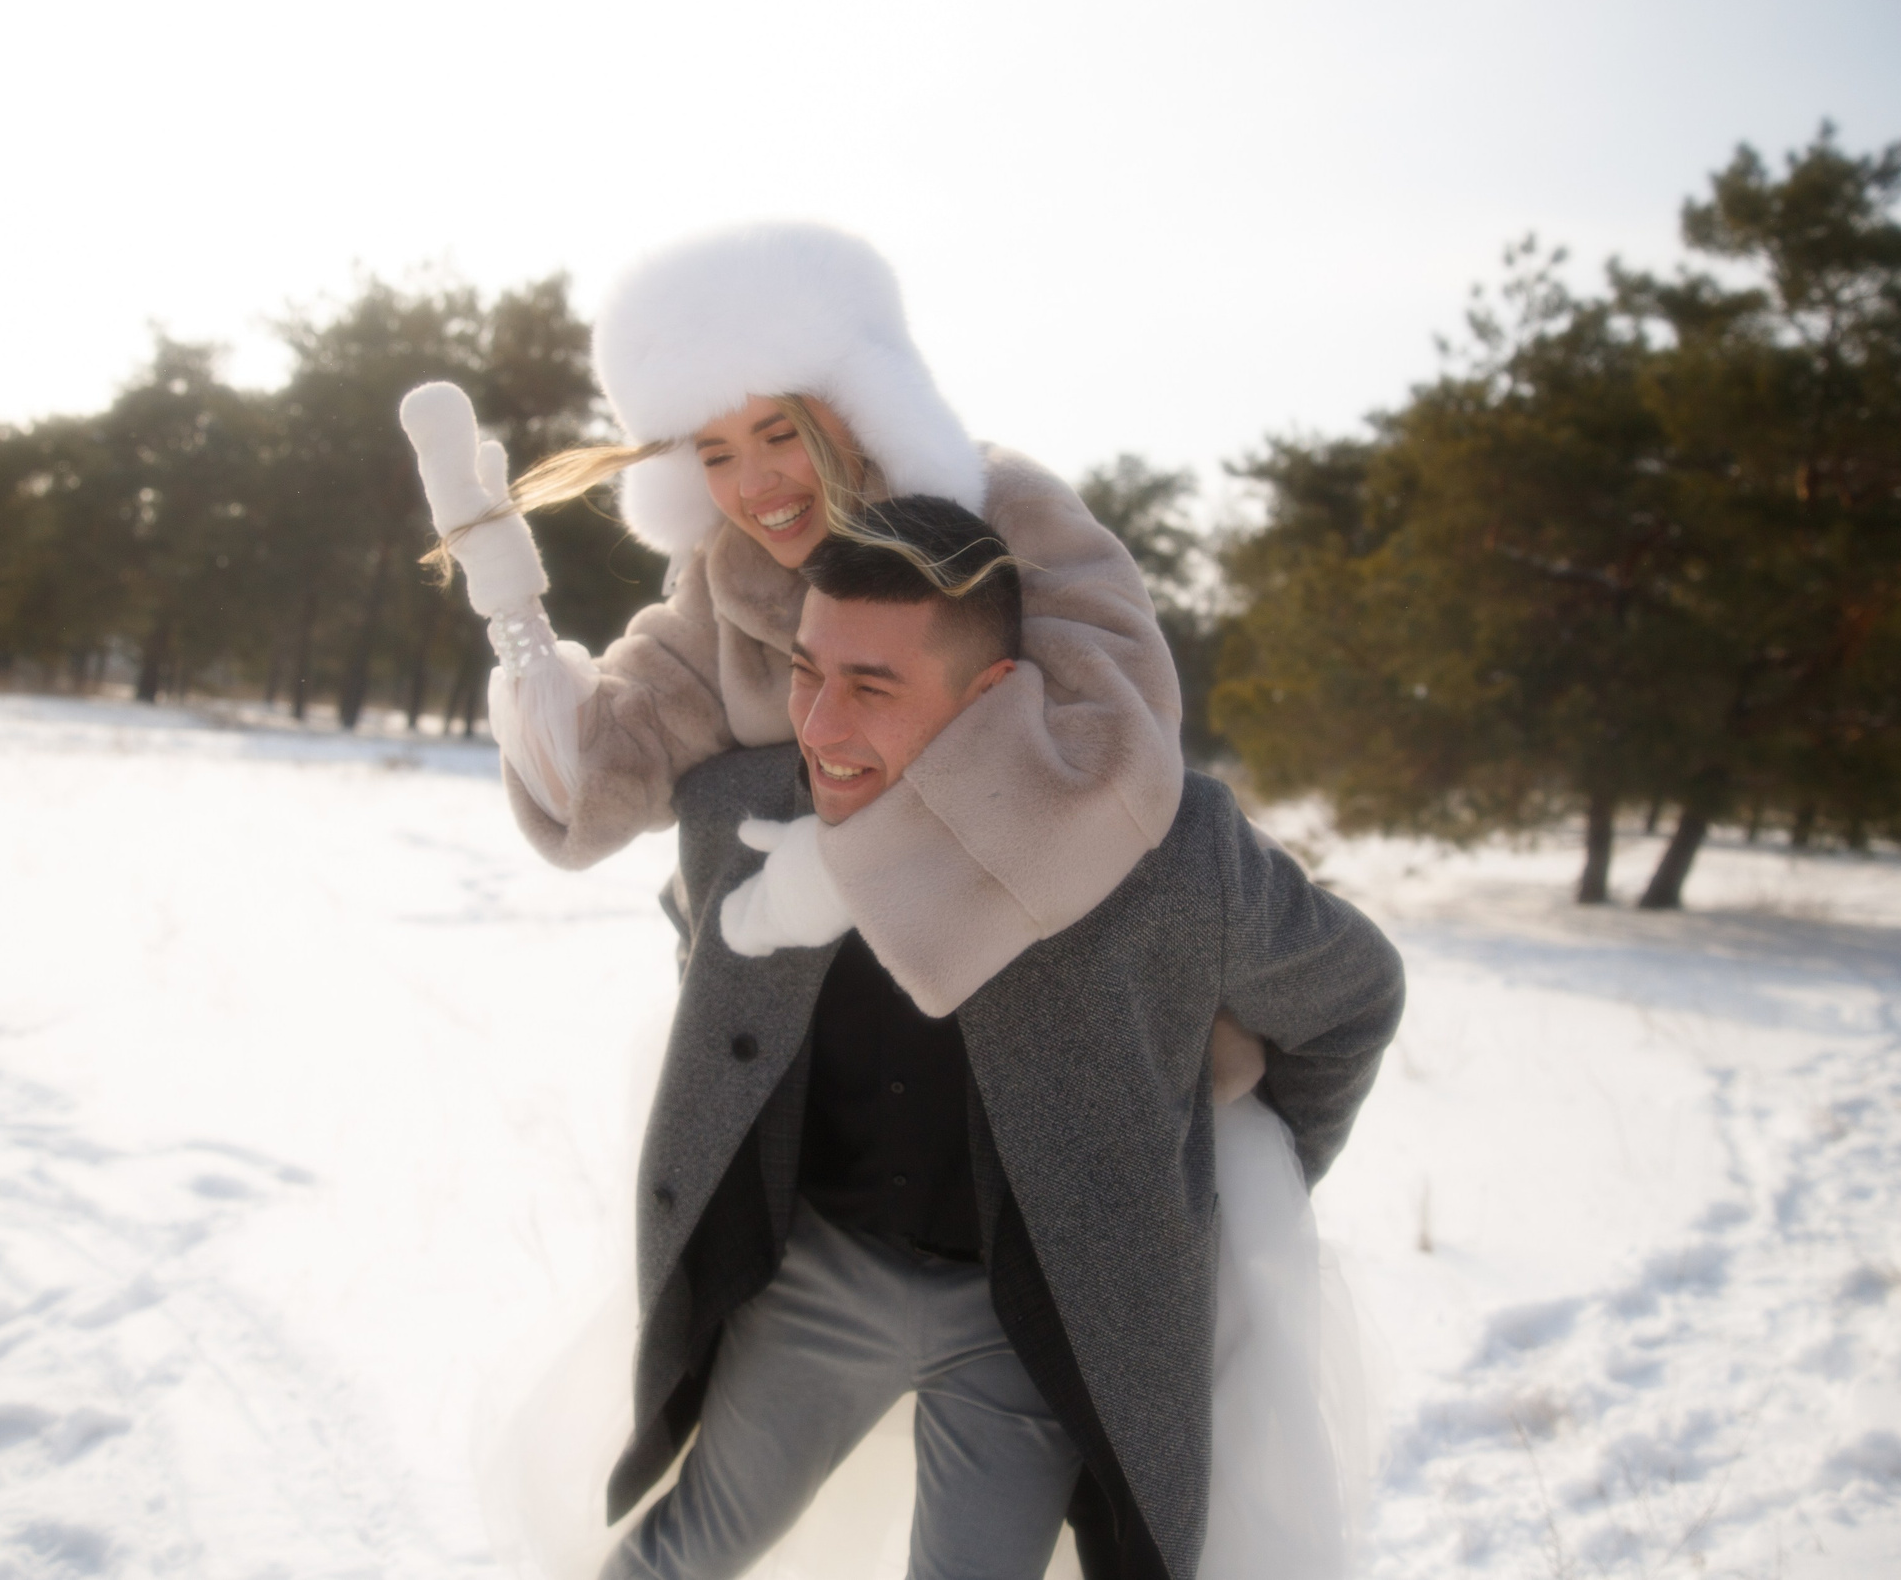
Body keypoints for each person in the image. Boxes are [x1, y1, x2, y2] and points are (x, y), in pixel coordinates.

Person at [598, 497, 1405, 1580]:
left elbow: (1352, 997)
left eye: (873, 686)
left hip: (1028, 1314)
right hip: (816, 1276)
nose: (820, 727)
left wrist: (1225, 1177)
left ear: (990, 697)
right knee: (674, 1558)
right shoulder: (736, 813)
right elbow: (702, 955)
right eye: (805, 670)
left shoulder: (1167, 851)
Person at [400, 221, 1208, 1024]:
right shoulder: (732, 577)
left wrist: (852, 871)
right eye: (714, 454)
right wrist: (511, 605)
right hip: (802, 1046)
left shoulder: (1004, 512)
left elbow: (1113, 746)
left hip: (1048, 1032)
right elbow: (609, 774)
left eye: (779, 433)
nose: (753, 484)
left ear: (863, 403)